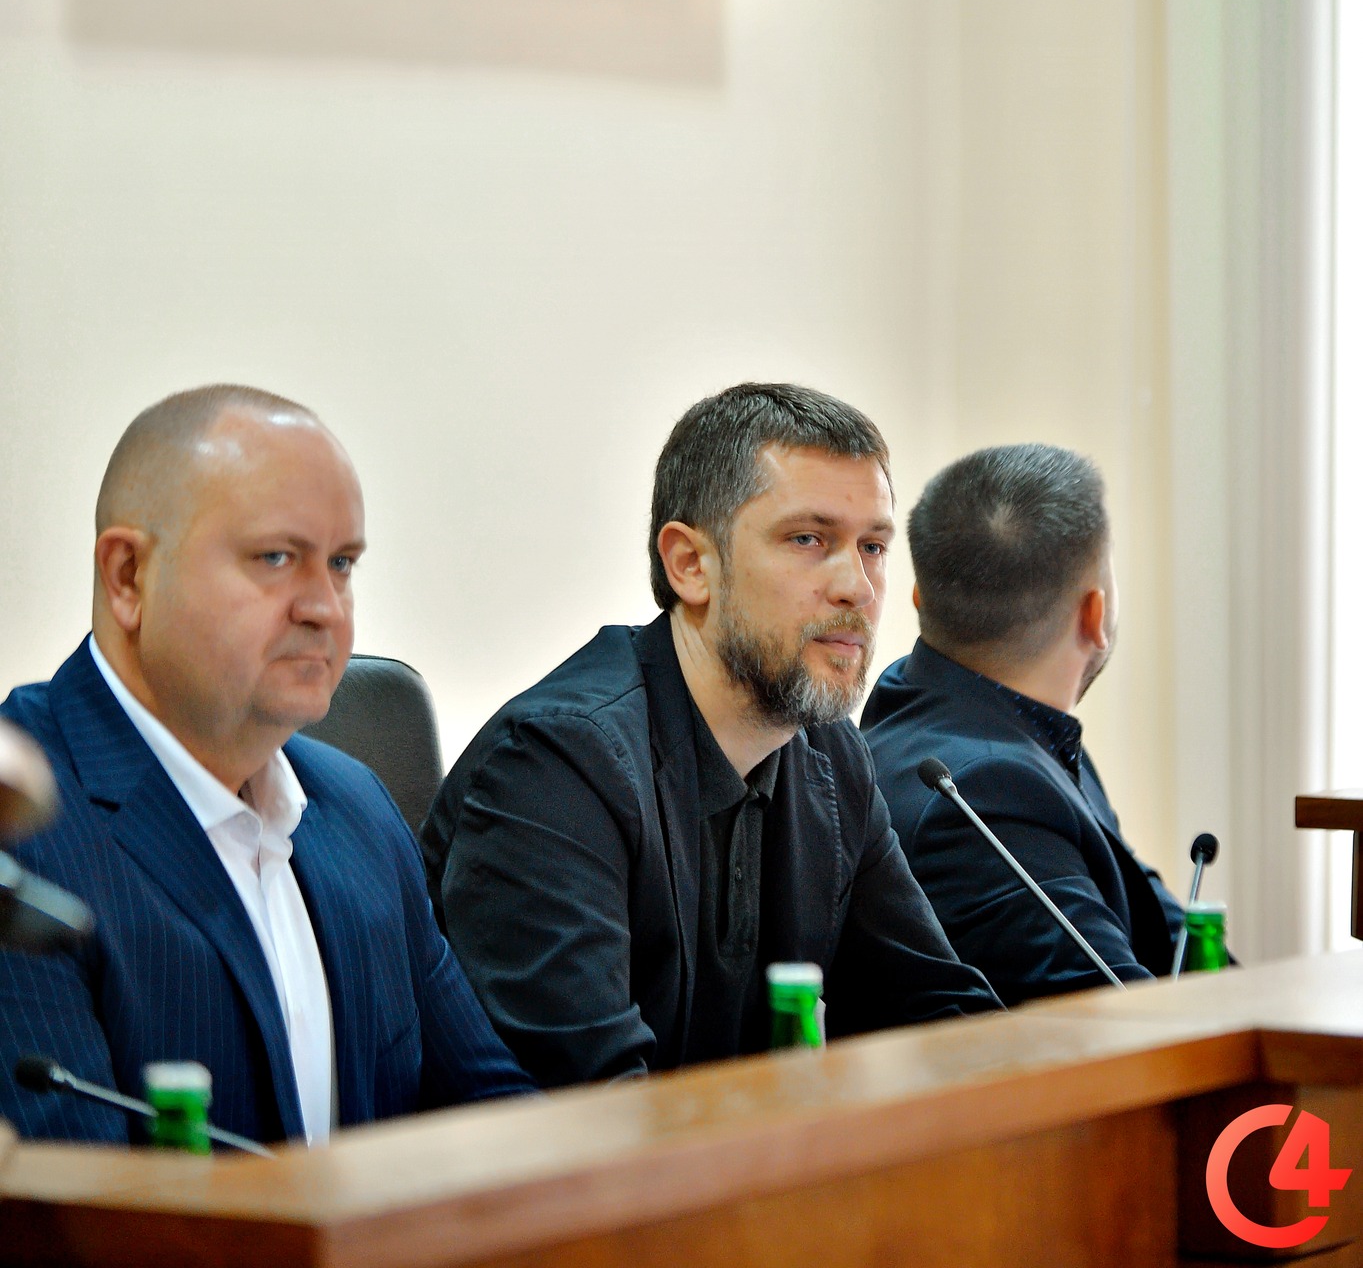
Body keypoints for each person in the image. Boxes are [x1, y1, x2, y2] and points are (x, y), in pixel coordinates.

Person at [421, 384, 999, 1089]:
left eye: (872, 546)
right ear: (690, 564)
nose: (858, 586)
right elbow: (593, 1106)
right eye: (808, 539)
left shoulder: (830, 755)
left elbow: (941, 1018)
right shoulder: (555, 767)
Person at [0, 386, 534, 1145]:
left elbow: (496, 1110)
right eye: (276, 558)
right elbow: (68, 1196)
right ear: (128, 576)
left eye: (341, 564)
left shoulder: (358, 808)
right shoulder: (18, 826)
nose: (325, 607)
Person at [861, 444, 1185, 1004]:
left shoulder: (983, 726)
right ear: (1095, 614)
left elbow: (1172, 930)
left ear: (919, 599)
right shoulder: (985, 792)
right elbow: (1123, 1023)